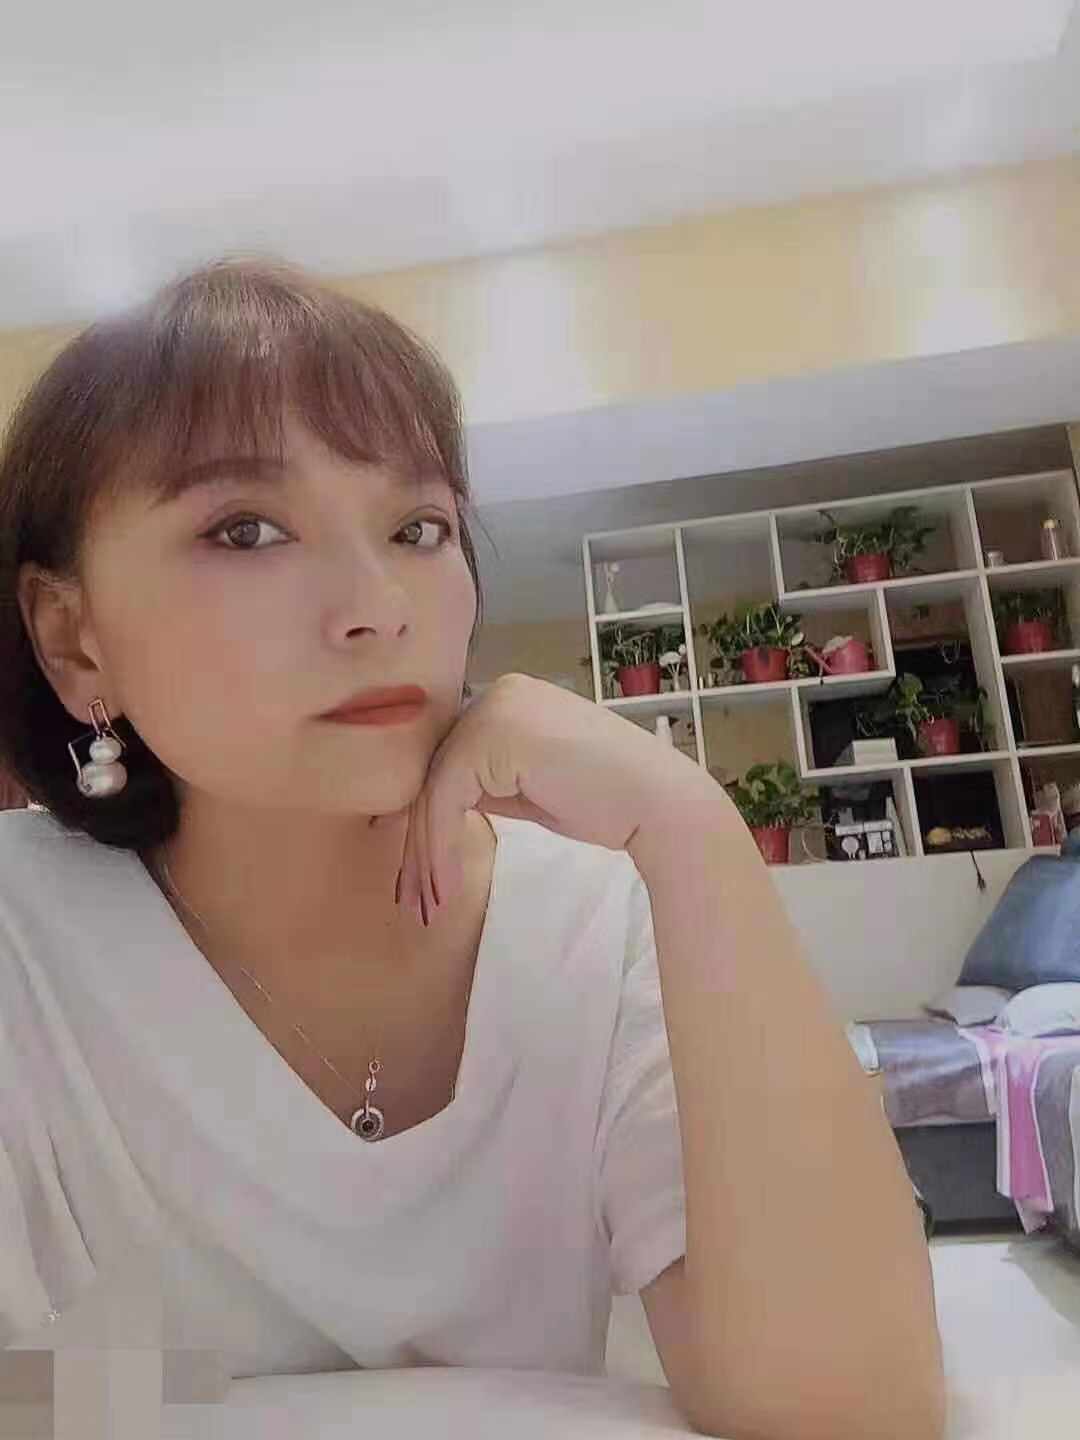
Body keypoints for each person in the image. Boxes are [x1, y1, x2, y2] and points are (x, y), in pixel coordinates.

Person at [0, 258, 944, 1437]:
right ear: (73, 638)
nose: (378, 606)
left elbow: (851, 1403)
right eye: (247, 530)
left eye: (419, 528)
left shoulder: (597, 919)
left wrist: (693, 832)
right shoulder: (23, 943)